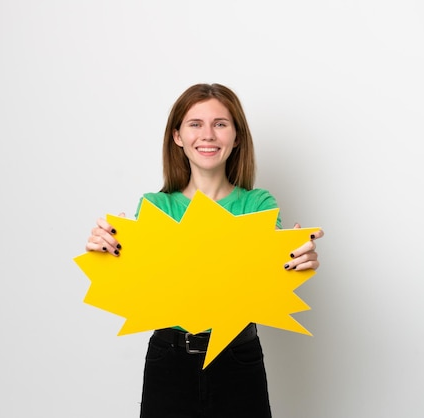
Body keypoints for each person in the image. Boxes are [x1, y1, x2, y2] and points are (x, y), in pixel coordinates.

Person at [85, 83, 323, 418]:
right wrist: (107, 251)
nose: (208, 135)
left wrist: (299, 257)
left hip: (238, 357)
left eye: (220, 124)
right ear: (177, 136)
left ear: (237, 137)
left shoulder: (258, 204)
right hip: (169, 359)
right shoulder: (156, 206)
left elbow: (272, 267)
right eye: (195, 123)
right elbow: (147, 281)